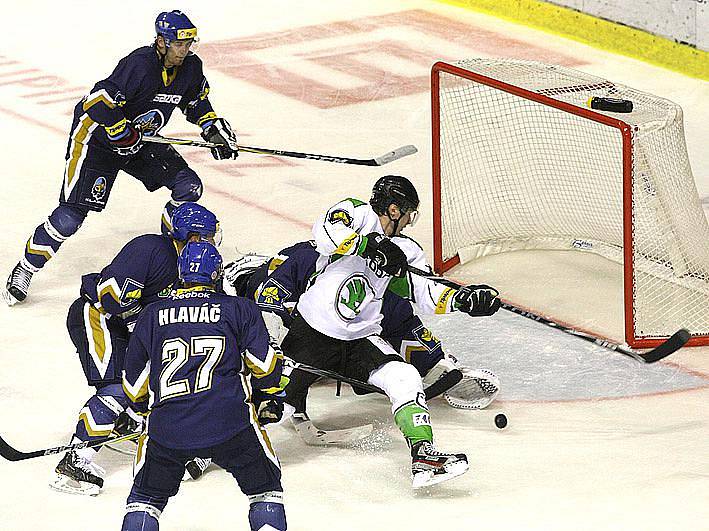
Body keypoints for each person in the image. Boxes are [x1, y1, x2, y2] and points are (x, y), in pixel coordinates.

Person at [280, 175, 501, 488]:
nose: (411, 220)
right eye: (409, 212)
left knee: (405, 377)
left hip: (359, 340)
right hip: (312, 333)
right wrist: (371, 244)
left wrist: (462, 300)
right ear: (394, 210)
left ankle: (424, 455)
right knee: (273, 405)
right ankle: (203, 448)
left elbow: (421, 289)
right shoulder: (357, 213)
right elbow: (328, 233)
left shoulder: (406, 250)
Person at [4, 10, 238, 306]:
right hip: (97, 141)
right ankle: (26, 268)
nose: (185, 49)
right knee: (70, 217)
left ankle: (171, 253)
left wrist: (211, 126)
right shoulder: (139, 64)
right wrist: (117, 129)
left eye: (189, 42)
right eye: (179, 43)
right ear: (162, 41)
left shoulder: (191, 67)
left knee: (188, 186)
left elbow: (195, 101)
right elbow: (97, 102)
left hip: (139, 139)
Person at [50, 203, 220, 496]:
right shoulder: (149, 249)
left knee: (163, 379)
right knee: (118, 386)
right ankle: (76, 460)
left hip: (135, 329)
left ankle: (126, 420)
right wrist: (144, 321)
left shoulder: (198, 265)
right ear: (191, 236)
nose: (211, 241)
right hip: (98, 319)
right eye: (206, 236)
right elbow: (110, 297)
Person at [121, 241, 286, 531]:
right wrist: (275, 365)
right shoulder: (239, 308)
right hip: (230, 426)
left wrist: (140, 412)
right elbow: (266, 371)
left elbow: (134, 388)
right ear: (216, 274)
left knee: (145, 500)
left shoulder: (151, 314)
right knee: (265, 492)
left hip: (168, 430)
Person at [223, 240, 500, 411]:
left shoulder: (390, 300)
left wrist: (438, 366)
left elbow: (412, 334)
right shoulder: (308, 258)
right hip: (263, 301)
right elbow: (266, 306)